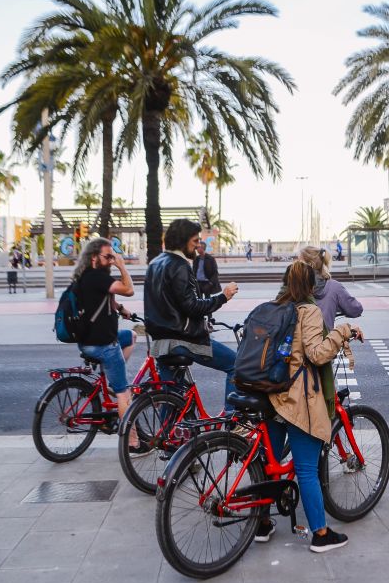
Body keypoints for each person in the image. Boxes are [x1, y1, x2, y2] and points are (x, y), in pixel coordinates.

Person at [256, 261, 364, 552]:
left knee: (271, 464)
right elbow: (317, 355)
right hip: (297, 398)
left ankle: (262, 524)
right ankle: (320, 533)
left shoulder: (274, 308)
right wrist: (342, 332)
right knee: (306, 469)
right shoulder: (309, 311)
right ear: (311, 287)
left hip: (271, 395)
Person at [145, 218, 239, 411]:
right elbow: (192, 306)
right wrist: (223, 297)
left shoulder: (155, 263)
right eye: (195, 240)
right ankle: (231, 424)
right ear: (183, 239)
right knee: (236, 365)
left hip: (160, 342)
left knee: (171, 398)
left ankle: (166, 439)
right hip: (183, 340)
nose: (198, 245)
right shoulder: (179, 265)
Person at [73, 238, 138, 446]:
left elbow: (105, 298)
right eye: (107, 257)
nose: (111, 260)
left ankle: (113, 377)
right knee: (124, 392)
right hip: (102, 344)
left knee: (131, 337)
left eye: (113, 256)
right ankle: (133, 441)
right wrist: (122, 266)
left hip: (86, 341)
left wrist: (121, 310)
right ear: (94, 258)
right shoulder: (98, 277)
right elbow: (129, 289)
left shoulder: (85, 277)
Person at [297, 246, 362, 330]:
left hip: (297, 341)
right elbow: (355, 310)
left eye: (298, 262)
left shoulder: (293, 287)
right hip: (324, 341)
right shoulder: (335, 287)